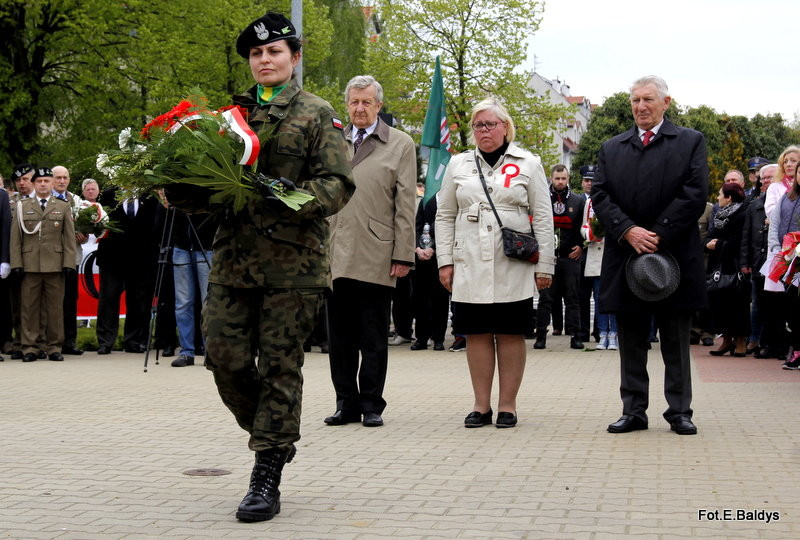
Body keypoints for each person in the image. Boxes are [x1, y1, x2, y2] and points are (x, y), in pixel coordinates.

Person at [169, 12, 354, 523]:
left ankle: (266, 470)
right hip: (233, 261)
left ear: (294, 57)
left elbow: (338, 185)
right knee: (223, 359)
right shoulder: (228, 119)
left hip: (292, 266)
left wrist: (288, 194)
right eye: (256, 54)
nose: (264, 60)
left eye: (274, 51)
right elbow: (209, 192)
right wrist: (179, 188)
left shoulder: (317, 113)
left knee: (279, 366)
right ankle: (276, 435)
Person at [592, 75, 708, 436]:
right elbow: (600, 195)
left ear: (666, 103)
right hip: (626, 255)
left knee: (675, 338)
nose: (640, 107)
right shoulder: (612, 147)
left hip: (675, 255)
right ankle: (633, 411)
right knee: (631, 338)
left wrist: (659, 232)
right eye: (635, 100)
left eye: (648, 100)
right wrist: (628, 230)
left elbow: (695, 191)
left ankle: (679, 411)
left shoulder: (690, 141)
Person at [436, 97, 554, 428]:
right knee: (476, 332)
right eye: (478, 125)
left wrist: (545, 265)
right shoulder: (458, 164)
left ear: (505, 127)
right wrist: (445, 261)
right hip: (469, 260)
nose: (484, 130)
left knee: (510, 331)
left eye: (490, 124)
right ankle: (480, 405)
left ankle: (507, 405)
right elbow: (444, 215)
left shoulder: (529, 163)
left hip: (512, 261)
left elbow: (543, 217)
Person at [325, 75, 416, 428]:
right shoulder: (333, 140)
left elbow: (405, 203)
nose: (360, 108)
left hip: (377, 252)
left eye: (366, 102)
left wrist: (403, 254)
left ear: (379, 105)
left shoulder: (400, 143)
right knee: (340, 338)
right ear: (347, 105)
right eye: (354, 102)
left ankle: (371, 404)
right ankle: (345, 404)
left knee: (373, 336)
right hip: (336, 251)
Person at [9, 168, 77, 362]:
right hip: (30, 265)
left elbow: (69, 238)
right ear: (34, 184)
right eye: (39, 181)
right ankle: (29, 347)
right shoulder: (22, 206)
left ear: (52, 183)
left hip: (55, 265)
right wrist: (16, 264)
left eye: (47, 181)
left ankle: (54, 346)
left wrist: (69, 263)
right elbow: (16, 238)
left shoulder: (62, 206)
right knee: (28, 308)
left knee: (55, 309)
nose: (43, 184)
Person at [95, 189, 159, 354]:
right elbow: (98, 223)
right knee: (108, 298)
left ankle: (134, 341)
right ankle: (105, 341)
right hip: (112, 257)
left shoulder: (150, 197)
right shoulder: (107, 195)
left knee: (139, 299)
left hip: (142, 258)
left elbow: (156, 225)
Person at [533, 164, 585, 350]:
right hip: (547, 258)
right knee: (545, 299)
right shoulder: (542, 199)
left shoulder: (578, 201)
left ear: (568, 179)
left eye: (563, 178)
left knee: (573, 299)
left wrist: (581, 246)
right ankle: (540, 337)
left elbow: (584, 227)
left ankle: (576, 337)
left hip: (570, 258)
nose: (560, 182)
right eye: (557, 178)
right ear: (551, 179)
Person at [706, 182, 750, 356]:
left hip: (735, 265)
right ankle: (726, 340)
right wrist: (707, 244)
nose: (717, 197)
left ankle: (740, 341)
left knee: (737, 304)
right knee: (720, 303)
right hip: (718, 265)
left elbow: (739, 240)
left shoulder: (742, 213)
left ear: (729, 197)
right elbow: (711, 235)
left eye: (720, 194)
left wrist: (718, 244)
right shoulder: (719, 214)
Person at [740, 164, 776, 356]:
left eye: (771, 177)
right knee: (757, 303)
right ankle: (754, 339)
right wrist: (744, 262)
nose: (766, 181)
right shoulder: (754, 205)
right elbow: (746, 235)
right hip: (757, 261)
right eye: (764, 178)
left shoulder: (784, 201)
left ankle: (770, 341)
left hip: (778, 261)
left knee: (774, 304)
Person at [52, 165, 87, 356]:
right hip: (51, 258)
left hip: (72, 258)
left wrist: (84, 234)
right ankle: (51, 342)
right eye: (58, 177)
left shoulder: (76, 200)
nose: (62, 181)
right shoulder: (44, 199)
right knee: (51, 302)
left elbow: (87, 225)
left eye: (65, 177)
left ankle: (69, 342)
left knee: (70, 300)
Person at [767, 164, 800, 369]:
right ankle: (796, 350)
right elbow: (775, 224)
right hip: (788, 262)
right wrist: (777, 249)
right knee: (792, 308)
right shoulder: (786, 198)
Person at [410, 193, 450, 351]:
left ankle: (438, 338)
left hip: (440, 258)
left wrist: (434, 248)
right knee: (420, 299)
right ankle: (421, 338)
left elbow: (448, 228)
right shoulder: (425, 200)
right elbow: (417, 226)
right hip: (421, 258)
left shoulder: (447, 198)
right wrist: (417, 248)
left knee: (440, 299)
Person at [581, 185, 617, 350]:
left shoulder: (617, 200)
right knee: (599, 298)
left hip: (613, 256)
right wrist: (590, 234)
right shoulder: (590, 203)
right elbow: (584, 226)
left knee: (614, 299)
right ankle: (602, 333)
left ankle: (614, 334)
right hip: (596, 255)